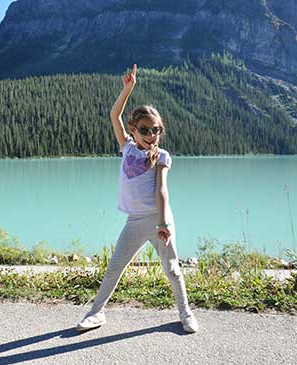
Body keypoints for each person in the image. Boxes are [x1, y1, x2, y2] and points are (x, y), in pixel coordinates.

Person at [76, 64, 199, 333]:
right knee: (114, 268)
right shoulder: (127, 147)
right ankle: (96, 313)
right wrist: (127, 89)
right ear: (133, 129)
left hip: (157, 221)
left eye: (156, 130)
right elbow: (114, 114)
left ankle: (185, 313)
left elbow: (162, 191)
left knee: (172, 270)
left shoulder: (162, 156)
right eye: (145, 130)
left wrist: (164, 224)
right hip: (134, 222)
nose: (151, 135)